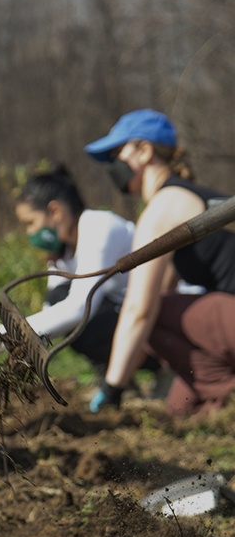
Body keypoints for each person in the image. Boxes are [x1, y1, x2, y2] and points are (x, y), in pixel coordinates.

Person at [83, 110, 235, 416]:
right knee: (179, 406)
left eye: (116, 153)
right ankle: (224, 394)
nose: (112, 165)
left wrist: (112, 390)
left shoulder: (164, 205)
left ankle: (227, 391)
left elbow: (141, 310)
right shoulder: (186, 197)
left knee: (157, 310)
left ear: (144, 151)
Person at [0, 164, 142, 375]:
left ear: (55, 211)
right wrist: (22, 352)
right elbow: (51, 311)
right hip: (126, 313)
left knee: (79, 323)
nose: (29, 232)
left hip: (158, 317)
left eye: (30, 222)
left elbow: (78, 309)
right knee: (58, 297)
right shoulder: (63, 252)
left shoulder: (99, 226)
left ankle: (156, 372)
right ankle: (116, 374)